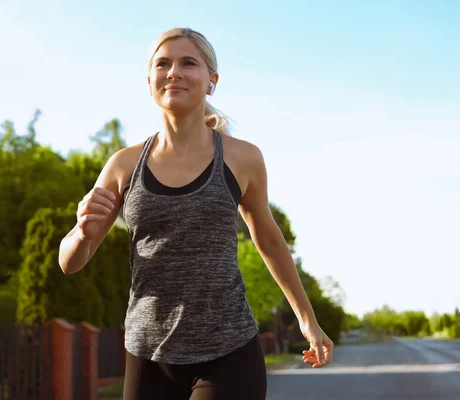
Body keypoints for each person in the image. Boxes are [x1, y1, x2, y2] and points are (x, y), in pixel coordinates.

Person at [59, 27, 333, 400]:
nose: (174, 72)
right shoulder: (123, 165)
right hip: (148, 352)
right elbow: (70, 263)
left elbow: (268, 238)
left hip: (229, 348)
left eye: (188, 63)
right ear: (151, 81)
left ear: (211, 81)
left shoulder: (242, 158)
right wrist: (81, 230)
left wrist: (307, 320)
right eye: (163, 64)